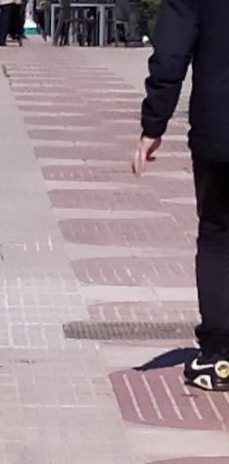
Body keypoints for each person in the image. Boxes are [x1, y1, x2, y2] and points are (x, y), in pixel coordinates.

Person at [133, 0, 229, 391]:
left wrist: (153, 124)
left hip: (219, 131)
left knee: (218, 238)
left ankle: (220, 356)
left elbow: (172, 53)